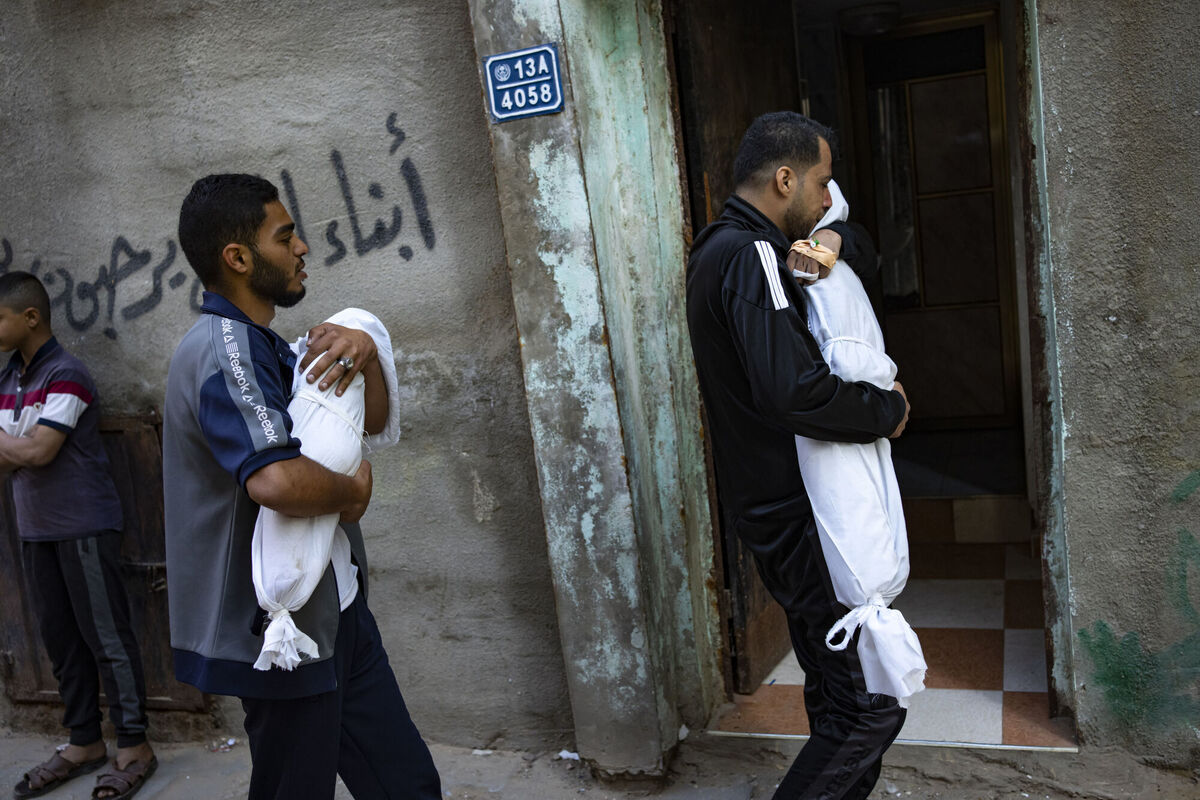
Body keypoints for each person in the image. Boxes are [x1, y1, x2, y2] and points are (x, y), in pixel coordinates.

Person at [164, 173, 441, 799]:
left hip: (337, 611)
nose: (302, 249)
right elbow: (277, 480)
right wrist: (351, 495)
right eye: (284, 237)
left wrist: (367, 350)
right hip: (279, 637)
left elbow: (368, 421)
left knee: (407, 784)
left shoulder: (274, 348)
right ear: (238, 258)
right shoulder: (222, 353)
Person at [685, 112, 910, 800]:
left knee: (840, 695)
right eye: (820, 181)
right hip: (804, 516)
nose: (826, 194)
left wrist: (836, 236)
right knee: (872, 704)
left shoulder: (726, 250)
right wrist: (888, 409)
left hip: (778, 512)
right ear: (785, 179)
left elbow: (853, 236)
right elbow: (795, 392)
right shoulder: (749, 256)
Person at [0, 271, 157, 800]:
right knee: (61, 642)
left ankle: (134, 745)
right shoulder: (8, 381)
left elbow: (38, 452)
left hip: (84, 526)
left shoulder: (66, 373)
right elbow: (15, 457)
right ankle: (85, 740)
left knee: (107, 639)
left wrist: (12, 445)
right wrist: (15, 447)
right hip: (36, 528)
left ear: (30, 318)